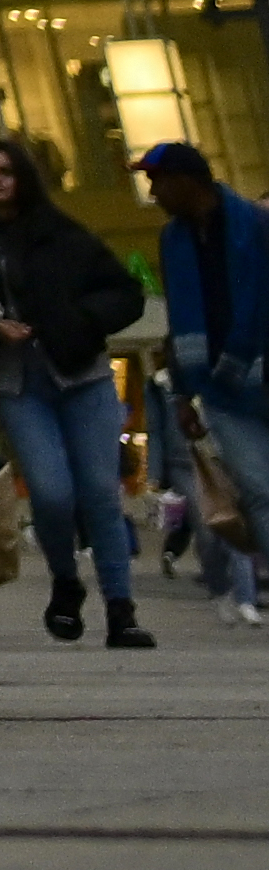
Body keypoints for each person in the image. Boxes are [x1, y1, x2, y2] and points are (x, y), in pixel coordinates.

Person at [0, 131, 159, 653]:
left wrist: (79, 320)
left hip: (84, 376)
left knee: (100, 493)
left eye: (6, 171)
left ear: (23, 178)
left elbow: (124, 293)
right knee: (51, 493)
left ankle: (121, 610)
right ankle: (65, 581)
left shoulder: (60, 233)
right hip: (17, 381)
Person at [147, 143, 267, 626]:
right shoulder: (173, 240)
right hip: (221, 391)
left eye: (158, 181)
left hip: (256, 369)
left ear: (186, 181)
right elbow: (179, 320)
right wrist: (180, 394)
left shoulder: (257, 226)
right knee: (259, 492)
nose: (153, 193)